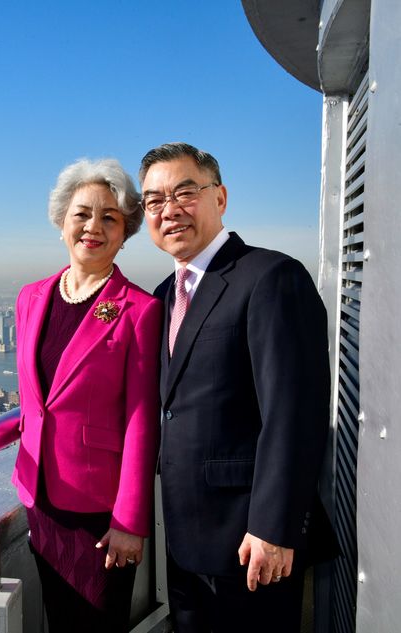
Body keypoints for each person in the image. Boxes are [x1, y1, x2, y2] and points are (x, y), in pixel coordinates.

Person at [138, 142, 335, 632]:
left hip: (251, 542)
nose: (170, 210)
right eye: (154, 201)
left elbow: (293, 414)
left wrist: (273, 527)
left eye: (185, 192)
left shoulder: (270, 276)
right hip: (185, 542)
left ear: (219, 198)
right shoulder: (164, 296)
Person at [11, 158, 162, 632]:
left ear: (124, 232)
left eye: (109, 217)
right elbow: (37, 398)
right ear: (61, 222)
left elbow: (142, 420)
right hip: (41, 496)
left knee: (98, 623)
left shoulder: (139, 309)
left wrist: (130, 520)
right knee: (60, 618)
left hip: (101, 511)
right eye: (82, 213)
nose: (92, 227)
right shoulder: (31, 297)